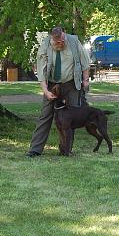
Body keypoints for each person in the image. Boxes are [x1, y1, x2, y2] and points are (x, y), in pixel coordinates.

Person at [27, 26, 91, 157]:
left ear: (64, 34)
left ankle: (66, 150)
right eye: (58, 42)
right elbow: (41, 71)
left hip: (71, 83)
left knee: (71, 117)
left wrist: (85, 80)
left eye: (62, 40)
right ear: (52, 39)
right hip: (52, 85)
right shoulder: (45, 46)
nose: (61, 43)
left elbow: (85, 62)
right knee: (45, 116)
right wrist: (45, 91)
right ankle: (35, 150)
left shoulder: (73, 41)